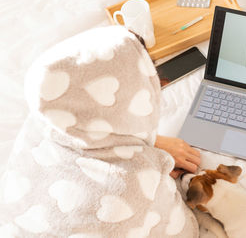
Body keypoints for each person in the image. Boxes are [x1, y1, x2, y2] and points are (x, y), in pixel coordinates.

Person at [0, 26, 199, 237]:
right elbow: (184, 231)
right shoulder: (136, 179)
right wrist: (154, 166)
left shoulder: (38, 123)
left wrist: (149, 144)